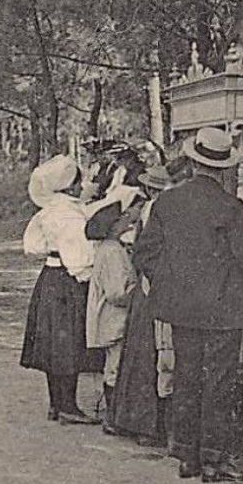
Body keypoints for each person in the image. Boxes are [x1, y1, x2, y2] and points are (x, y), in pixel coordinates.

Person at [133, 127, 243, 482]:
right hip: (223, 307)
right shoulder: (231, 206)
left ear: (192, 162)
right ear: (223, 168)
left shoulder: (167, 202)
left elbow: (145, 253)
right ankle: (213, 459)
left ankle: (186, 456)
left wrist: (172, 282)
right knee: (220, 382)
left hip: (182, 306)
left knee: (186, 377)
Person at [20, 155, 99, 425]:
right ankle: (68, 404)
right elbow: (77, 256)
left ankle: (56, 403)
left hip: (50, 275)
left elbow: (32, 245)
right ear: (69, 186)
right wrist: (87, 276)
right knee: (69, 342)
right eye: (79, 181)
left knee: (54, 342)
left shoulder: (48, 210)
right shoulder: (70, 216)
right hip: (68, 278)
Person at [108, 164, 177, 445]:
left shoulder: (151, 210)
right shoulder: (163, 210)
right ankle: (150, 424)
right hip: (155, 286)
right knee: (153, 354)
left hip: (147, 287)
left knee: (141, 355)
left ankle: (135, 421)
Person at [85, 202, 138, 432]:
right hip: (114, 317)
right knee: (115, 367)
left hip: (110, 317)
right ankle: (114, 418)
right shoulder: (113, 252)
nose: (128, 220)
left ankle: (114, 415)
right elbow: (117, 292)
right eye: (123, 217)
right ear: (114, 226)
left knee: (113, 366)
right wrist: (139, 292)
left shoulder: (110, 248)